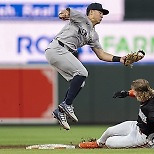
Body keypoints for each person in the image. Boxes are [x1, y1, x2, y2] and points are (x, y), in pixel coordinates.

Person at [45, 2, 143, 130]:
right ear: (91, 12)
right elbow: (67, 12)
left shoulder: (93, 35)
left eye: (103, 14)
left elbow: (101, 55)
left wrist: (120, 59)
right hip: (57, 48)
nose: (102, 15)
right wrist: (64, 14)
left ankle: (60, 111)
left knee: (80, 81)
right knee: (82, 73)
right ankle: (66, 104)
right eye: (100, 12)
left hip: (62, 53)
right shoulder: (82, 18)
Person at [79, 79, 154, 148]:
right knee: (109, 130)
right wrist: (127, 93)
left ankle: (145, 145)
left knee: (109, 142)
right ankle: (98, 143)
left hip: (143, 137)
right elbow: (138, 93)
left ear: (140, 93)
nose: (133, 92)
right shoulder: (149, 95)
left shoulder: (152, 108)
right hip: (137, 126)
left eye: (135, 91)